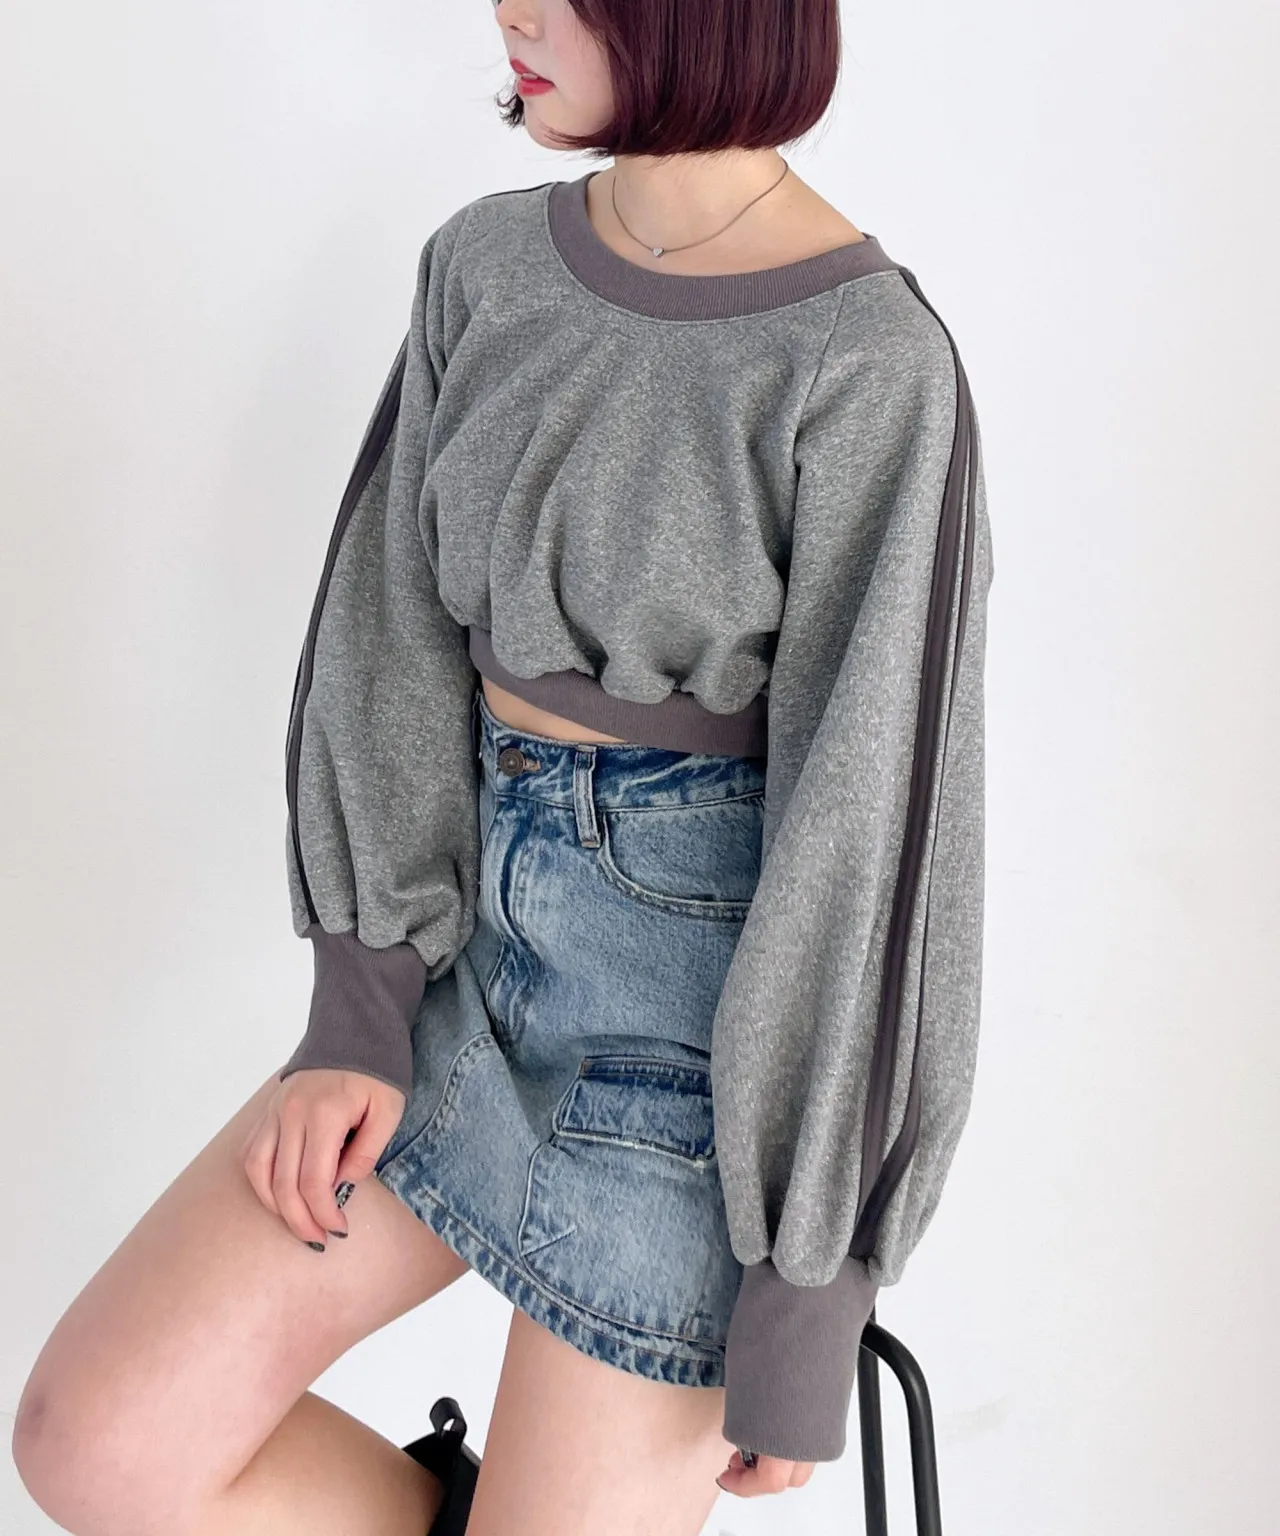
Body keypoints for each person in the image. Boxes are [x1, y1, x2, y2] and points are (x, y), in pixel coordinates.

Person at [13, 1, 995, 1533]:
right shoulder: (485, 268)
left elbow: (874, 845)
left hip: (702, 1077)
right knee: (101, 1439)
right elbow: (386, 633)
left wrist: (812, 1286)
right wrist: (360, 1009)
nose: (512, 11)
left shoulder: (869, 363)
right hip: (468, 968)